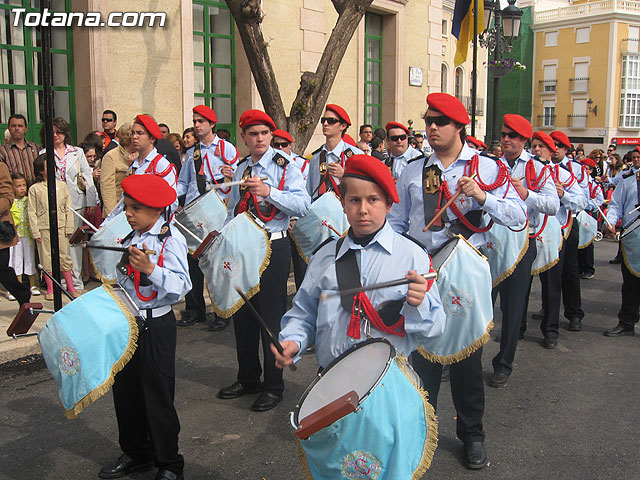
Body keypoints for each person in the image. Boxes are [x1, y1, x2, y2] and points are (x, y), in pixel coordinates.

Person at [388, 93, 527, 470]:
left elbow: (517, 215)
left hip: (466, 272)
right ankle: (421, 429)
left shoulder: (488, 167)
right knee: (420, 355)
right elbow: (399, 222)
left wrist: (483, 197)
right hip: (425, 272)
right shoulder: (415, 170)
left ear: (459, 127)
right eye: (428, 120)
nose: (431, 127)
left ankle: (472, 434)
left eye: (439, 122)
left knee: (466, 358)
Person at [275, 153, 445, 367]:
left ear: (389, 204)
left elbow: (434, 329)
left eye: (373, 200)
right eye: (354, 200)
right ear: (343, 205)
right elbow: (305, 312)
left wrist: (419, 304)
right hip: (333, 378)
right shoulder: (325, 257)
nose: (363, 210)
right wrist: (293, 341)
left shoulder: (412, 256)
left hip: (389, 380)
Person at [99, 174, 190, 480]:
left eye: (135, 209)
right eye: (126, 207)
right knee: (126, 393)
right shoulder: (130, 237)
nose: (128, 214)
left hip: (155, 323)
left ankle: (168, 463)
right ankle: (137, 453)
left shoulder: (170, 239)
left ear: (155, 211)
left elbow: (181, 286)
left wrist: (151, 269)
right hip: (128, 322)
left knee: (157, 395)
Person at [217, 109, 309, 412]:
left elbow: (303, 204)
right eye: (252, 133)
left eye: (264, 133)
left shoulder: (284, 166)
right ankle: (248, 377)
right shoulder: (242, 166)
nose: (258, 138)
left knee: (270, 318)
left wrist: (269, 192)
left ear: (271, 136)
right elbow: (233, 208)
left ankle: (273, 385)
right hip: (243, 247)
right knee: (242, 315)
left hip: (273, 246)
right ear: (243, 137)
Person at [489, 116, 559, 388]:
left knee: (513, 308)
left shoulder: (537, 168)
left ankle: (504, 363)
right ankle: (464, 358)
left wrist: (527, 193)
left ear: (524, 141)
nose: (507, 139)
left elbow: (553, 205)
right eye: (504, 134)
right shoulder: (489, 164)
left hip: (521, 244)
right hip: (490, 241)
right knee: (479, 303)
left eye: (514, 136)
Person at [176, 105, 238, 330]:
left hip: (218, 212)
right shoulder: (193, 153)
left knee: (217, 264)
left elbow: (238, 178)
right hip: (195, 213)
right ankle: (195, 309)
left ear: (212, 124)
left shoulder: (226, 148)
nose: (196, 124)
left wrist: (232, 174)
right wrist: (171, 199)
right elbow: (184, 183)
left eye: (201, 121)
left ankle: (222, 310)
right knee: (193, 262)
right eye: (195, 120)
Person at [531, 133, 587, 346]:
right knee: (521, 286)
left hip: (557, 236)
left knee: (553, 284)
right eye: (534, 146)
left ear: (551, 150)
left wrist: (563, 195)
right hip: (527, 234)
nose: (537, 150)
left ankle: (552, 330)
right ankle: (518, 327)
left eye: (542, 147)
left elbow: (582, 201)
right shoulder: (524, 171)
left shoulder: (563, 174)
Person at [40, 117, 98, 294]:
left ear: (65, 134)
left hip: (76, 201)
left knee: (74, 242)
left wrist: (91, 200)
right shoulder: (44, 152)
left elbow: (87, 176)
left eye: (59, 132)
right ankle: (62, 283)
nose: (56, 135)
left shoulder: (77, 152)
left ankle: (76, 281)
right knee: (59, 243)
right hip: (55, 203)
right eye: (52, 132)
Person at [550, 131, 589, 331]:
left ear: (566, 149)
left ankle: (574, 313)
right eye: (551, 144)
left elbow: (584, 200)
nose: (554, 148)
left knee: (569, 270)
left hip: (568, 223)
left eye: (558, 145)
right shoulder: (540, 165)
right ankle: (548, 310)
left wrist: (563, 195)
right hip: (545, 226)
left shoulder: (576, 169)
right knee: (547, 271)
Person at [105, 115, 178, 221]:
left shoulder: (161, 165)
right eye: (133, 133)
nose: (134, 137)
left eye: (140, 133)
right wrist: (108, 222)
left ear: (152, 138)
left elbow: (173, 203)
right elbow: (123, 202)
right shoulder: (134, 165)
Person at [27, 154, 78, 300]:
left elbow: (68, 207)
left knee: (64, 255)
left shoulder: (62, 186)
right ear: (40, 170)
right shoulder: (35, 189)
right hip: (44, 227)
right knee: (46, 257)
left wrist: (69, 227)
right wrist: (35, 230)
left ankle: (71, 287)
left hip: (61, 226)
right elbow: (32, 211)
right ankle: (50, 289)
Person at [603, 148, 640, 337]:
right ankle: (626, 322)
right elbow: (616, 204)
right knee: (631, 284)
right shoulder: (627, 181)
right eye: (634, 157)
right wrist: (610, 220)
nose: (636, 160)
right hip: (633, 238)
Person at [272, 128, 310, 290]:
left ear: (291, 146)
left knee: (301, 263)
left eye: (284, 145)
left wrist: (294, 219)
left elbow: (305, 196)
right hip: (277, 221)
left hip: (298, 220)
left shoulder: (300, 164)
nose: (280, 148)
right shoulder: (270, 164)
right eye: (276, 145)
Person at [307, 104, 363, 201]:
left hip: (346, 211)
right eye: (323, 120)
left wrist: (344, 175)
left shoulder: (356, 155)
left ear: (343, 126)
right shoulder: (316, 157)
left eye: (331, 121)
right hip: (320, 212)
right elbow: (309, 191)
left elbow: (365, 188)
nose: (325, 124)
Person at [0, 162, 31, 305]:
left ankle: (22, 293)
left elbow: (7, 197)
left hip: (1, 230)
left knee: (2, 269)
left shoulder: (1, 167)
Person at [8, 173, 40, 296]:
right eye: (18, 186)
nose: (22, 188)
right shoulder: (10, 201)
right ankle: (17, 286)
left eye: (24, 185)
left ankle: (33, 284)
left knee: (30, 258)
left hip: (28, 234)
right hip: (14, 236)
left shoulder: (29, 200)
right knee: (16, 259)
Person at [100, 124, 137, 217]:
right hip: (117, 209)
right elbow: (107, 187)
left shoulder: (140, 155)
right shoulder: (111, 156)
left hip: (135, 211)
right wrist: (112, 214)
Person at [577, 157, 604, 279]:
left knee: (587, 242)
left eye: (587, 168)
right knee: (576, 241)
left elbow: (599, 200)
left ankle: (589, 268)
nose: (584, 170)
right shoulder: (575, 181)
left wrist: (585, 204)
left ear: (591, 170)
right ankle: (579, 267)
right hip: (577, 213)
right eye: (582, 168)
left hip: (588, 213)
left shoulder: (594, 185)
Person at [0, 114, 41, 186]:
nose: (17, 128)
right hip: (14, 193)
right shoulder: (2, 151)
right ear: (9, 128)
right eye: (13, 126)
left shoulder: (36, 148)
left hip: (36, 191)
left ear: (26, 129)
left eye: (20, 126)